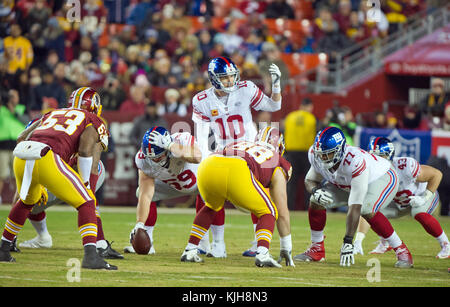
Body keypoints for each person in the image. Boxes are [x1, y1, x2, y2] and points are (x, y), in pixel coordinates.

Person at [0, 87, 117, 270]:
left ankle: (3, 248)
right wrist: (85, 183)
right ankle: (90, 256)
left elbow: (21, 137)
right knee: (86, 201)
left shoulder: (53, 113)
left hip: (22, 155)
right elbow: (86, 150)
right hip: (47, 156)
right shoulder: (93, 118)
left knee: (25, 202)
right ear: (94, 106)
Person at [191, 56, 283, 258]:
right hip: (223, 153)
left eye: (232, 77)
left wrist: (276, 86)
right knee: (208, 194)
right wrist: (205, 160)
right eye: (225, 78)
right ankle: (215, 244)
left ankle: (256, 242)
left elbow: (273, 106)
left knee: (257, 195)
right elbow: (201, 135)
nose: (230, 81)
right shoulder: (201, 100)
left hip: (249, 152)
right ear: (214, 79)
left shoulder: (246, 88)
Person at [293, 126, 413, 268]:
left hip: (382, 176)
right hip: (348, 182)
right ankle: (317, 248)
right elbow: (310, 180)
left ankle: (401, 250)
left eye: (328, 154)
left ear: (340, 150)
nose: (323, 158)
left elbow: (355, 205)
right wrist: (315, 190)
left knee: (367, 209)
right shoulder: (315, 154)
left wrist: (348, 242)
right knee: (316, 200)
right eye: (321, 154)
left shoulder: (355, 161)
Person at [181, 127, 295, 267]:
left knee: (211, 206)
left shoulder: (241, 143)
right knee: (270, 211)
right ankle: (262, 253)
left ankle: (190, 250)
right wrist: (286, 246)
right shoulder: (277, 160)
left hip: (208, 165)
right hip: (237, 169)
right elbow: (282, 212)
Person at [353, 137, 449, 259]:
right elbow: (367, 208)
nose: (376, 160)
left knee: (418, 213)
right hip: (399, 203)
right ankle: (385, 242)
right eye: (373, 157)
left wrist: (424, 197)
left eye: (380, 156)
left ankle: (446, 245)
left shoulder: (405, 166)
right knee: (370, 210)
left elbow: (436, 174)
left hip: (421, 197)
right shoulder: (371, 173)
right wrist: (359, 240)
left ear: (390, 156)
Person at [126, 126, 206, 255]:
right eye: (150, 157)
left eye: (158, 157)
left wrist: (171, 145)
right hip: (176, 185)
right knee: (140, 191)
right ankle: (148, 240)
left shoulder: (181, 139)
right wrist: (139, 223)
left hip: (201, 181)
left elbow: (197, 157)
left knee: (213, 196)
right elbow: (146, 194)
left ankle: (217, 244)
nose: (154, 160)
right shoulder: (143, 159)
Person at [283, 98, 317, 210]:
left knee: (291, 183)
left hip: (291, 153)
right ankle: (309, 207)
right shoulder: (312, 118)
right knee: (309, 181)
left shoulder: (289, 117)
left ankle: (289, 207)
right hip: (306, 154)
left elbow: (284, 133)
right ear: (309, 106)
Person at [0, 89, 29, 205]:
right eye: (10, 96)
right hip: (3, 145)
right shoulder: (1, 110)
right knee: (1, 174)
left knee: (17, 175)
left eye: (14, 96)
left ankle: (17, 198)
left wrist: (14, 112)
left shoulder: (21, 109)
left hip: (18, 146)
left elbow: (27, 121)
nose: (12, 99)